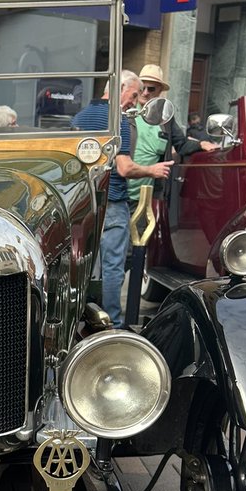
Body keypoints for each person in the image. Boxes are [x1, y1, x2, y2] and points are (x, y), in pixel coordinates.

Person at [72, 70, 174, 326]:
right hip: (112, 202)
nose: (134, 101)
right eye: (134, 94)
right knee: (113, 268)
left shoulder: (79, 117)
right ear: (121, 88)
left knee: (84, 269)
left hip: (80, 205)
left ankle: (83, 321)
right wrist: (153, 170)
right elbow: (124, 168)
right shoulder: (118, 120)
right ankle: (113, 326)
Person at [127, 64, 218, 204]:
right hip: (121, 192)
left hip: (151, 195)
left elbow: (181, 143)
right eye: (142, 88)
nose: (145, 92)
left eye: (151, 89)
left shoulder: (165, 117)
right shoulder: (127, 111)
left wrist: (202, 144)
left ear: (159, 91)